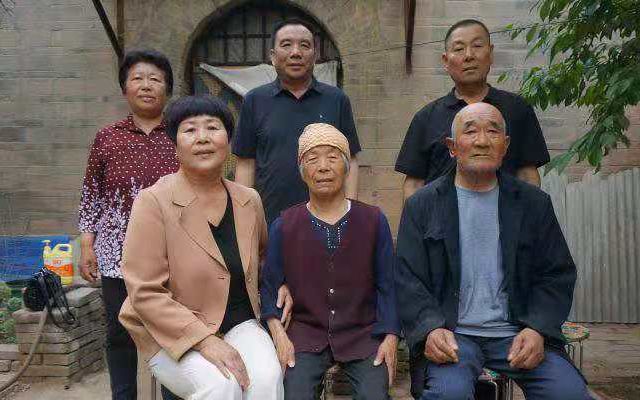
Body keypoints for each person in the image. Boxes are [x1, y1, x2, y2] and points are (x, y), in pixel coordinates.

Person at [395, 102, 593, 399]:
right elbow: (408, 279)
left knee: (568, 394)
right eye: (470, 131)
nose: (482, 141)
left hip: (518, 332)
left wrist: (537, 328)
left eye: (493, 131)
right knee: (448, 394)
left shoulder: (533, 203)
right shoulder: (422, 205)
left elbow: (556, 274)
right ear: (452, 147)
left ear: (506, 145)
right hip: (453, 335)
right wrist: (430, 328)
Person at [118, 95, 284, 400]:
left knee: (266, 380)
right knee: (221, 385)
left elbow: (263, 262)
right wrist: (203, 340)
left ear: (228, 141)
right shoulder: (153, 201)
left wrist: (282, 285)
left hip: (239, 322)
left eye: (213, 127)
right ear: (175, 144)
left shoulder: (249, 200)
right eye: (190, 129)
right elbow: (144, 291)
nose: (203, 138)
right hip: (170, 331)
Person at [261, 123, 401, 400]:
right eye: (312, 159)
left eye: (333, 158)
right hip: (305, 335)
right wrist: (279, 334)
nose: (323, 167)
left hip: (363, 334)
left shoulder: (373, 220)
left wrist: (391, 336)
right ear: (302, 171)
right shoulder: (285, 224)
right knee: (295, 393)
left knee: (375, 394)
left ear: (347, 167)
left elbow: (388, 285)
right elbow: (269, 287)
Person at [78, 49, 181, 400]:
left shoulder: (180, 135)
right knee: (119, 333)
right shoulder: (107, 137)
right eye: (138, 78)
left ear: (168, 89)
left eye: (155, 79)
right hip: (116, 256)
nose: (146, 85)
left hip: (172, 255)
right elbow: (91, 194)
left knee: (172, 331)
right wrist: (87, 244)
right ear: (125, 88)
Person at [395, 19, 550, 201]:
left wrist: (527, 216)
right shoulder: (426, 118)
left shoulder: (517, 109)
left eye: (477, 46)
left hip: (505, 215)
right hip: (442, 217)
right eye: (459, 49)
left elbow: (527, 175)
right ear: (445, 60)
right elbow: (414, 184)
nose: (469, 55)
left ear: (490, 53)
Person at [233, 18, 361, 225]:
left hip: (330, 221)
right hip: (270, 220)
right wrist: (244, 218)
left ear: (315, 56)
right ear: (273, 56)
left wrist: (350, 213)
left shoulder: (336, 100)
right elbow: (246, 162)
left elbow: (351, 159)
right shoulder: (255, 100)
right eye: (286, 45)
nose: (296, 52)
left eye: (304, 45)